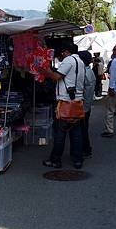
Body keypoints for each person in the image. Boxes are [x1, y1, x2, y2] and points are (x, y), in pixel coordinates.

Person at [40, 42, 85, 170]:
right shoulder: (80, 62)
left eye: (62, 53)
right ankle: (77, 160)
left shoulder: (68, 61)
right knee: (76, 133)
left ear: (66, 51)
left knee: (60, 133)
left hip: (66, 102)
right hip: (77, 102)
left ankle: (55, 160)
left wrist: (45, 70)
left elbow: (56, 76)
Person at [78, 51, 96, 159]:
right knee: (84, 129)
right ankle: (86, 148)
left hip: (83, 106)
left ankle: (85, 148)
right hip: (87, 105)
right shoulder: (89, 72)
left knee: (81, 130)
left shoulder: (84, 72)